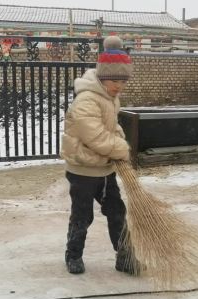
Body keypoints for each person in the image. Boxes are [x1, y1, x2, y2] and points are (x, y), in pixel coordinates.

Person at [59, 35, 138, 275]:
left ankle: (124, 258)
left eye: (123, 81)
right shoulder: (86, 100)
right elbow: (95, 136)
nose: (119, 86)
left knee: (117, 213)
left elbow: (112, 127)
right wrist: (121, 148)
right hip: (83, 170)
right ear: (103, 76)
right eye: (115, 80)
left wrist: (119, 140)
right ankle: (73, 255)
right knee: (82, 216)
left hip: (105, 169)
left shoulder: (109, 98)